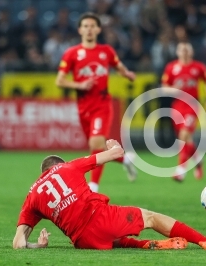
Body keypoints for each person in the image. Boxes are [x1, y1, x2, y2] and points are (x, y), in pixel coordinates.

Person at [12, 139, 206, 251]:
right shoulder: (69, 167)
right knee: (149, 216)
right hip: (99, 218)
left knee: (116, 239)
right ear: (59, 165)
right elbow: (118, 153)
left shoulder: (32, 196)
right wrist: (112, 145)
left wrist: (38, 246)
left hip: (83, 242)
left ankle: (147, 245)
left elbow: (18, 244)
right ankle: (205, 241)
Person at [55, 12, 137, 192]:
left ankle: (93, 187)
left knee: (95, 144)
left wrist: (127, 74)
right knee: (97, 148)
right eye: (85, 26)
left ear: (98, 29)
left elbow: (119, 66)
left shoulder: (106, 51)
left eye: (92, 26)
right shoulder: (72, 53)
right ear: (79, 30)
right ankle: (126, 160)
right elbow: (59, 80)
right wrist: (80, 84)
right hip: (83, 107)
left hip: (102, 104)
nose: (89, 29)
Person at [161, 42, 206, 181]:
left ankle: (181, 170)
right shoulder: (171, 67)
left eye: (187, 50)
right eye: (181, 50)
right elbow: (164, 86)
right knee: (186, 139)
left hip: (192, 104)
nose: (184, 52)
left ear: (191, 52)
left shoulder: (198, 67)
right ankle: (198, 160)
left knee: (184, 135)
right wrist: (172, 89)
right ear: (177, 52)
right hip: (177, 105)